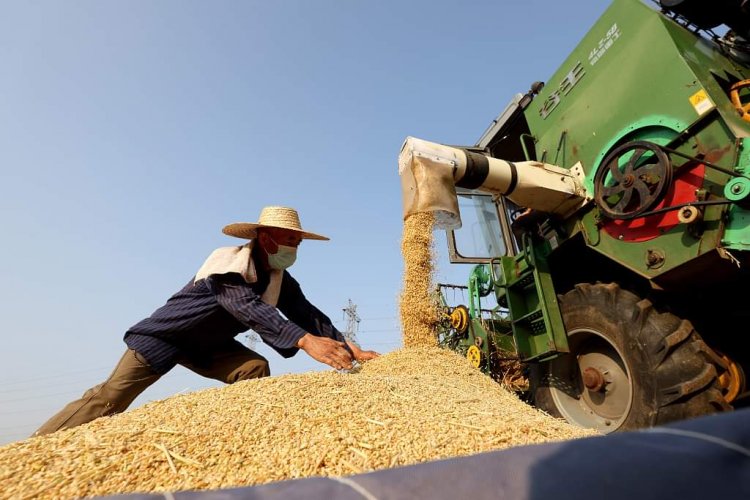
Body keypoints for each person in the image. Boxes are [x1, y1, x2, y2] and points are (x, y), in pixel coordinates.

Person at [33, 206, 379, 436]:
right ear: (265, 236)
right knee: (110, 398)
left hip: (210, 347)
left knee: (253, 368)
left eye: (298, 243)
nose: (295, 249)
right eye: (290, 240)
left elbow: (307, 313)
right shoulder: (226, 263)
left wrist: (351, 348)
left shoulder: (278, 278)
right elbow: (248, 309)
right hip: (165, 338)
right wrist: (304, 341)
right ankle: (35, 446)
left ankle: (246, 436)